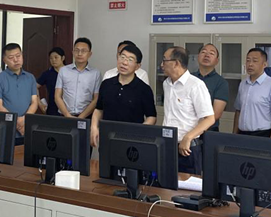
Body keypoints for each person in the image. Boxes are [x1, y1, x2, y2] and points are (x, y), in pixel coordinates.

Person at [91, 44, 157, 148]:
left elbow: (151, 117)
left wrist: (138, 132)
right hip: (107, 139)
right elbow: (99, 109)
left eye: (130, 60)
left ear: (137, 66)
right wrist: (94, 127)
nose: (124, 62)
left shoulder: (144, 89)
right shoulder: (106, 84)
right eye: (122, 57)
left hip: (132, 143)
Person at [162, 46, 215, 174]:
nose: (161, 65)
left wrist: (188, 137)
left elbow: (209, 118)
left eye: (164, 60)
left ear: (176, 63)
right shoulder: (166, 83)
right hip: (167, 145)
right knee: (165, 182)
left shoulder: (196, 85)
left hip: (187, 148)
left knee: (187, 185)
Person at [0, 43, 39, 144]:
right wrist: (16, 122)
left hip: (26, 128)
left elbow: (34, 102)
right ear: (4, 60)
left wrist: (24, 119)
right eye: (11, 57)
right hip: (6, 129)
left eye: (18, 56)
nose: (16, 60)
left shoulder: (30, 78)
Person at [233, 48, 271, 138]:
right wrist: (234, 135)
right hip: (242, 134)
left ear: (264, 64)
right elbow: (238, 111)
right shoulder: (243, 84)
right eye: (248, 60)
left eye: (255, 61)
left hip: (262, 134)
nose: (250, 64)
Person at [55, 37, 101, 118]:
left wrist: (81, 117)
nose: (79, 54)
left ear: (90, 54)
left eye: (83, 51)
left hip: (86, 117)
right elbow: (57, 96)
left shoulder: (95, 73)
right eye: (76, 50)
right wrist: (67, 115)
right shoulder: (63, 70)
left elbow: (96, 99)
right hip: (64, 116)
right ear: (73, 52)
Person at [192, 43, 228, 131]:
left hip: (209, 130)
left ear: (217, 61)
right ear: (198, 57)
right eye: (203, 52)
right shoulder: (189, 78)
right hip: (187, 127)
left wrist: (196, 129)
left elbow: (216, 114)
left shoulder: (221, 82)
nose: (207, 55)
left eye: (211, 53)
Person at [37, 47, 66, 116]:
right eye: (51, 58)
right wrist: (39, 103)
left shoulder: (70, 72)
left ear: (63, 58)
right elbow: (34, 86)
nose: (53, 60)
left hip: (68, 108)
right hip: (52, 109)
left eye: (56, 57)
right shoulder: (47, 73)